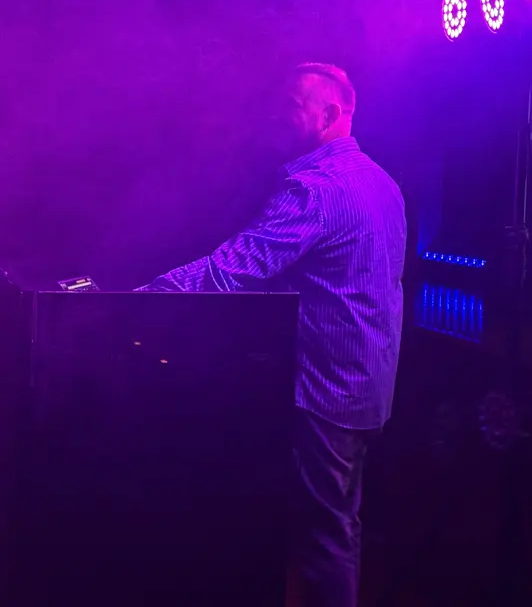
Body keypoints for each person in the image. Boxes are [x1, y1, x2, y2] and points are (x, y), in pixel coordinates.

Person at [137, 62, 406, 607]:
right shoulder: (384, 184)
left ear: (329, 114)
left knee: (322, 538)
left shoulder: (316, 189)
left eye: (291, 106)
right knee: (338, 528)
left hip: (324, 394)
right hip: (369, 391)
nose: (277, 117)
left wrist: (141, 297)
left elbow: (230, 270)